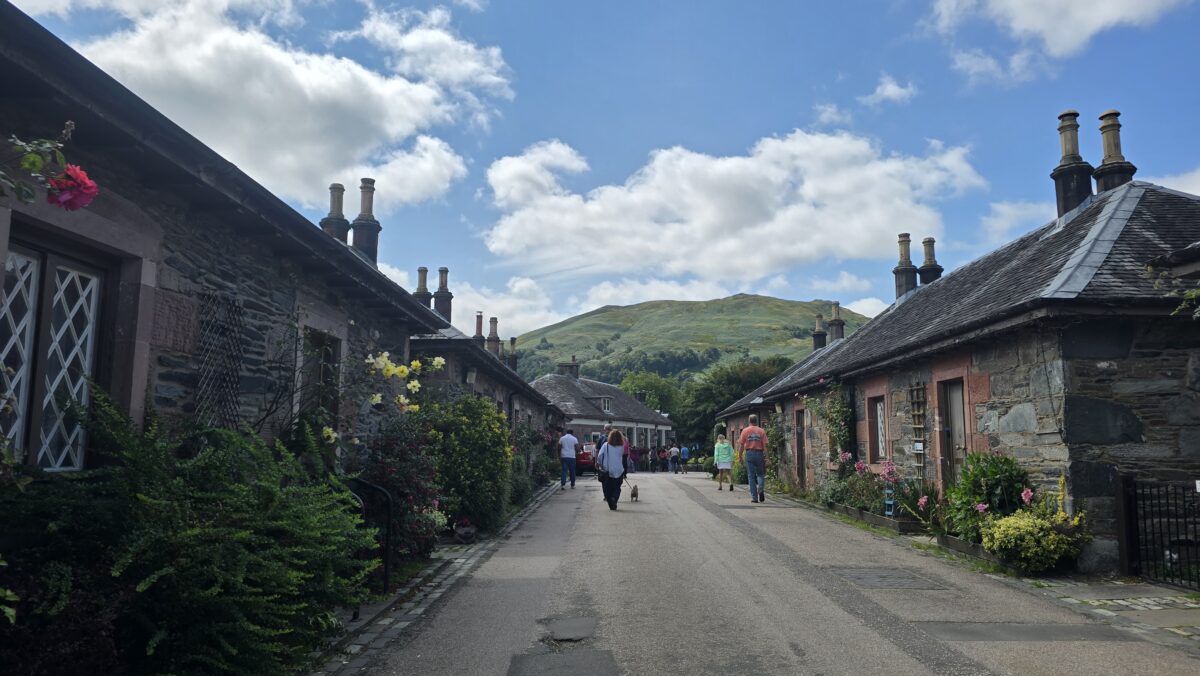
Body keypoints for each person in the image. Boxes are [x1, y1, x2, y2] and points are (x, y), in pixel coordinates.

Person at [737, 415, 768, 503]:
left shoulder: (745, 431)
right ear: (756, 421)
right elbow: (765, 446)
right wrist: (767, 457)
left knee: (751, 476)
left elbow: (741, 445)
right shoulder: (761, 431)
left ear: (749, 421)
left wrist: (739, 457)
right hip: (759, 453)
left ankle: (754, 497)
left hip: (749, 453)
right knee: (760, 474)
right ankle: (760, 489)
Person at [596, 429, 628, 510]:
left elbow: (600, 456)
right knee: (617, 487)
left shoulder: (605, 445)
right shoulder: (621, 447)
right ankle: (614, 498)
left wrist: (598, 464)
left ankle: (611, 501)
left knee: (608, 488)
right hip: (618, 470)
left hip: (607, 470)